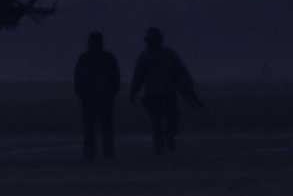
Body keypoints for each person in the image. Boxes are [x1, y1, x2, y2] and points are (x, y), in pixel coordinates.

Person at [129, 27, 202, 155]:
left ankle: (167, 140)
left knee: (170, 119)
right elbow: (139, 76)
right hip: (156, 94)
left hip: (166, 93)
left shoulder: (166, 54)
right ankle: (161, 144)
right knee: (160, 120)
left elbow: (180, 69)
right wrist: (133, 92)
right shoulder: (148, 56)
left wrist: (133, 93)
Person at [74, 31, 120, 159]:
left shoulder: (86, 59)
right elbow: (115, 78)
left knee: (98, 127)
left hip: (96, 98)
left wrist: (82, 93)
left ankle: (96, 152)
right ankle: (102, 152)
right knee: (99, 128)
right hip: (96, 98)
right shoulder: (107, 58)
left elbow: (115, 78)